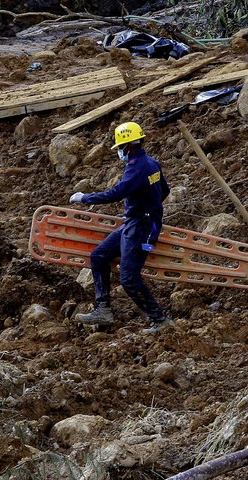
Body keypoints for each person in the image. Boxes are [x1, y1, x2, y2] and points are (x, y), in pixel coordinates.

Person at [69, 122, 173, 333]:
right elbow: (165, 190)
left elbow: (116, 193)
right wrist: (148, 206)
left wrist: (85, 197)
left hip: (141, 229)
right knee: (99, 256)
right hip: (136, 222)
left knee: (128, 277)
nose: (118, 152)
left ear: (127, 146)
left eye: (118, 148)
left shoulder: (136, 168)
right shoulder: (152, 163)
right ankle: (103, 309)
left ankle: (160, 319)